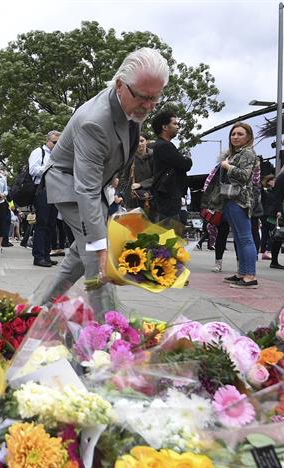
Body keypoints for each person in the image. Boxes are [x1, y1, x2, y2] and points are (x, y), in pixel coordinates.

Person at [39, 48, 169, 312]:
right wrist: (101, 247)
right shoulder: (94, 122)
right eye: (144, 97)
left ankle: (38, 310)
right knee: (100, 258)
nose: (149, 106)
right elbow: (85, 190)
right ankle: (109, 335)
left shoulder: (132, 105)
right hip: (69, 184)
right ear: (120, 84)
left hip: (92, 184)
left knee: (79, 253)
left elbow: (122, 151)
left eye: (156, 98)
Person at [208, 123, 259, 288]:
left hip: (240, 200)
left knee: (245, 238)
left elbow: (244, 175)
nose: (236, 137)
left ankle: (250, 276)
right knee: (239, 238)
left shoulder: (248, 153)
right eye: (233, 134)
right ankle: (242, 273)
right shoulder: (236, 153)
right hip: (231, 199)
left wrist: (228, 166)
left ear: (248, 137)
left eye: (240, 134)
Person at [151, 110, 192, 223]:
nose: (178, 126)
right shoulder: (164, 146)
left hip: (168, 195)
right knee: (169, 231)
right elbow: (185, 164)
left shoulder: (162, 145)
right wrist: (187, 159)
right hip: (168, 195)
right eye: (174, 123)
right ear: (164, 127)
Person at [29, 130, 61, 267]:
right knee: (42, 224)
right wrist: (49, 168)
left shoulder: (58, 155)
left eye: (59, 143)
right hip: (42, 190)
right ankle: (38, 256)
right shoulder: (38, 152)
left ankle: (46, 255)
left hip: (55, 190)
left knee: (51, 225)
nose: (56, 145)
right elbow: (33, 170)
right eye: (54, 142)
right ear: (47, 141)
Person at [125, 134, 154, 210]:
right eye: (137, 141)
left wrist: (141, 184)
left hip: (151, 198)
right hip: (133, 199)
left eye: (142, 141)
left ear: (147, 142)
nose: (139, 144)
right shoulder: (131, 158)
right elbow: (126, 179)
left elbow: (158, 177)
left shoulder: (155, 156)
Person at [259, 174, 277, 260]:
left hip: (268, 213)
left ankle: (265, 250)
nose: (274, 182)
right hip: (267, 214)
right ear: (268, 181)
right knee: (268, 232)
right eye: (272, 180)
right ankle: (266, 250)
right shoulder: (266, 191)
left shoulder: (274, 191)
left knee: (268, 232)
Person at [0, 172, 12, 248]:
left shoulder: (3, 178)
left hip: (1, 202)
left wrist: (3, 195)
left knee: (0, 224)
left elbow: (6, 191)